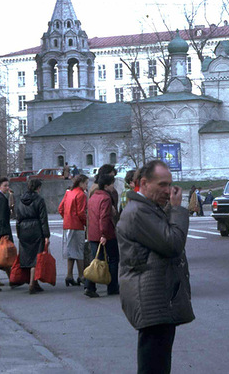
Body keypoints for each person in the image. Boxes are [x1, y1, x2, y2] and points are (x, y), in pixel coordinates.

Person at [117, 160, 193, 374]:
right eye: (161, 185)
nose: (167, 190)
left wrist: (169, 209)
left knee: (157, 362)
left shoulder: (146, 208)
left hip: (155, 297)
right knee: (154, 365)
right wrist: (177, 210)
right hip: (151, 299)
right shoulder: (139, 212)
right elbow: (173, 244)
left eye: (169, 184)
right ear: (143, 183)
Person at [85, 172, 120, 298]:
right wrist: (104, 234)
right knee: (113, 259)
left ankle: (89, 285)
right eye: (111, 184)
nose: (112, 187)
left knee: (96, 260)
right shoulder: (106, 198)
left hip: (93, 232)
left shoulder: (93, 197)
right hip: (106, 234)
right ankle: (113, 286)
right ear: (106, 185)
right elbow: (104, 217)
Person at [16, 178, 52, 294]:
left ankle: (34, 282)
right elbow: (43, 219)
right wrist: (46, 235)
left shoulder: (21, 200)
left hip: (23, 229)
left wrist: (19, 232)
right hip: (36, 229)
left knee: (27, 256)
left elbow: (18, 218)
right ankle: (32, 283)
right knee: (36, 256)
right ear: (38, 188)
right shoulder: (39, 200)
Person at [57, 174, 88, 286]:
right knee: (79, 251)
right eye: (85, 183)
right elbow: (81, 213)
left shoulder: (68, 192)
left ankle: (69, 275)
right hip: (77, 225)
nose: (86, 186)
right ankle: (81, 276)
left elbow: (60, 208)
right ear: (81, 183)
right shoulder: (81, 195)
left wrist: (66, 217)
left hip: (68, 224)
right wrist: (86, 224)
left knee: (70, 251)